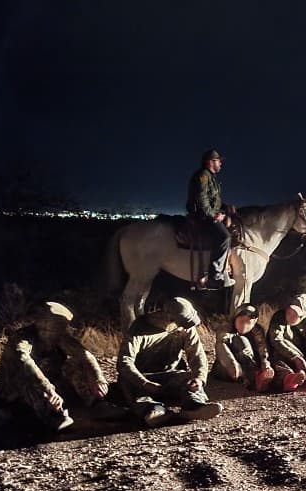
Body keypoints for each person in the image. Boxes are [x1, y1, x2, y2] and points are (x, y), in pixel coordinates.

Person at [0, 302, 111, 431]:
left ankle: (97, 403)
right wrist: (48, 388)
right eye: (56, 327)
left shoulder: (58, 337)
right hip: (16, 392)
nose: (61, 331)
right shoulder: (22, 339)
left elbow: (84, 355)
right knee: (28, 378)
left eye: (62, 327)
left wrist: (97, 378)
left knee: (75, 365)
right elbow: (25, 362)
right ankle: (54, 415)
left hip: (52, 387)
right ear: (42, 325)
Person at [118, 297, 223, 427]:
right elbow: (124, 361)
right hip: (143, 378)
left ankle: (194, 406)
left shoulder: (185, 327)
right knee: (128, 384)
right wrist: (144, 383)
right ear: (169, 317)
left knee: (189, 379)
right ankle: (154, 411)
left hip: (170, 374)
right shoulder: (140, 329)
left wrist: (199, 378)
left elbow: (197, 355)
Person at [186, 148, 235, 290]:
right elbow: (202, 199)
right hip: (201, 215)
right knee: (224, 237)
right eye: (218, 161)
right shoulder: (203, 176)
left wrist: (226, 207)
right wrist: (213, 215)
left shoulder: (211, 177)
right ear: (210, 162)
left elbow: (214, 201)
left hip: (207, 213)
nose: (220, 164)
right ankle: (215, 276)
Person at [212, 304, 275, 391]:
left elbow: (262, 347)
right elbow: (221, 345)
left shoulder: (257, 330)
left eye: (248, 322)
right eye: (241, 321)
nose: (244, 325)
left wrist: (265, 363)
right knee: (240, 340)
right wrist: (233, 365)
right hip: (226, 368)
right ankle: (254, 378)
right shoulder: (226, 328)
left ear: (255, 321)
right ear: (235, 319)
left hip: (250, 365)